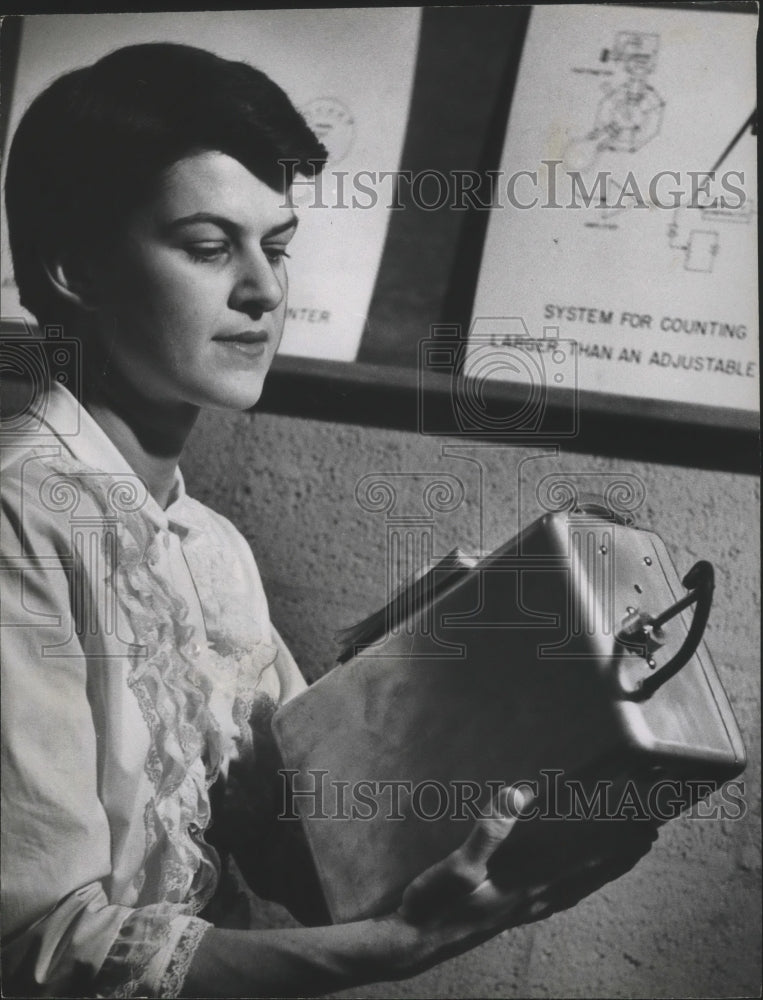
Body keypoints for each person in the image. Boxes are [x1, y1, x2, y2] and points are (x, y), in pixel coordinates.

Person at [1, 42, 656, 999]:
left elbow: (301, 850)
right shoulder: (22, 517)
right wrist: (389, 950)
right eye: (208, 246)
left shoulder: (212, 548)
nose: (264, 291)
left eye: (277, 245)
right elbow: (33, 950)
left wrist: (476, 708)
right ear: (74, 273)